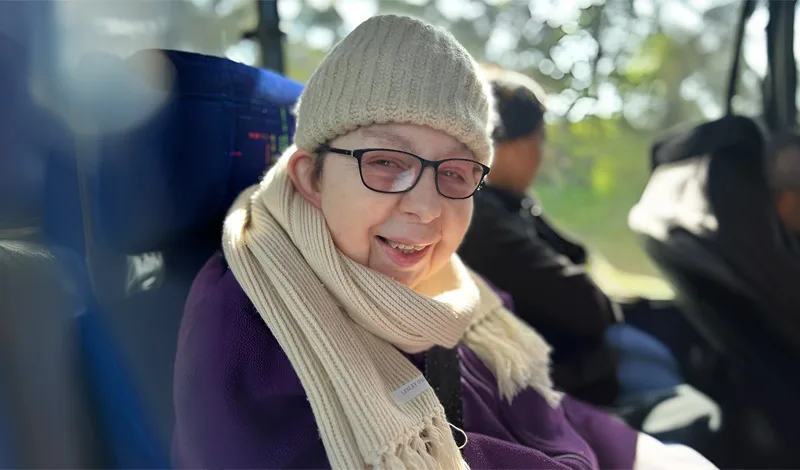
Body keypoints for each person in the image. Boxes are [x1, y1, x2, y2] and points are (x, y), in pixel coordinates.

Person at [172, 15, 717, 469]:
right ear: (311, 178)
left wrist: (642, 453)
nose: (428, 207)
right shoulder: (251, 319)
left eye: (456, 173)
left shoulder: (450, 287)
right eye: (385, 163)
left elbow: (533, 407)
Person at [458, 68, 687, 406]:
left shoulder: (510, 204)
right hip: (557, 374)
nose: (541, 153)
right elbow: (585, 306)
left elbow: (574, 254)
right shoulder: (480, 219)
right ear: (506, 142)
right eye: (538, 138)